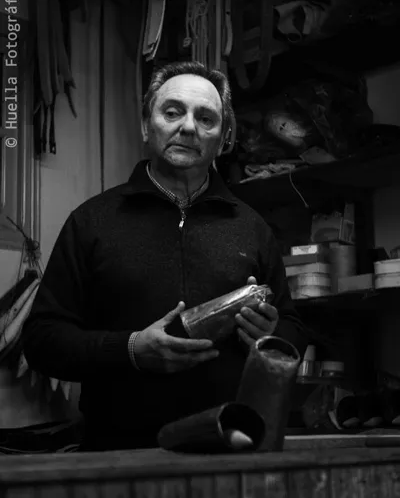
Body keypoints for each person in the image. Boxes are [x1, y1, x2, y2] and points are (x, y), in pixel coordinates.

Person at [22, 61, 307, 451]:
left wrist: (270, 335)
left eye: (206, 118)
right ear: (146, 126)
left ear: (223, 139)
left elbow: (293, 329)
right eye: (172, 112)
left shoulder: (252, 228)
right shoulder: (92, 222)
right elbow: (42, 342)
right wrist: (131, 349)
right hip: (119, 455)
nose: (188, 127)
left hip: (229, 450)